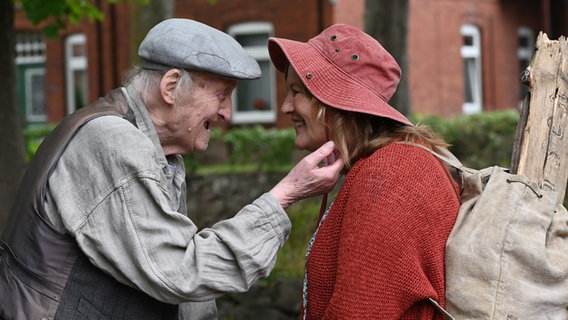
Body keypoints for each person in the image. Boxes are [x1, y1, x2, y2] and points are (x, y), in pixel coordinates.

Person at [0, 18, 342, 320]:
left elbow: (184, 292)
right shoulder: (111, 141)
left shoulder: (160, 152)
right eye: (222, 96)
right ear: (170, 87)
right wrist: (282, 196)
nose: (227, 114)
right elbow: (180, 271)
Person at [268, 24, 460, 319]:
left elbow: (359, 311)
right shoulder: (386, 165)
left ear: (335, 100)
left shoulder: (390, 177)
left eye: (297, 92)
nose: (285, 106)